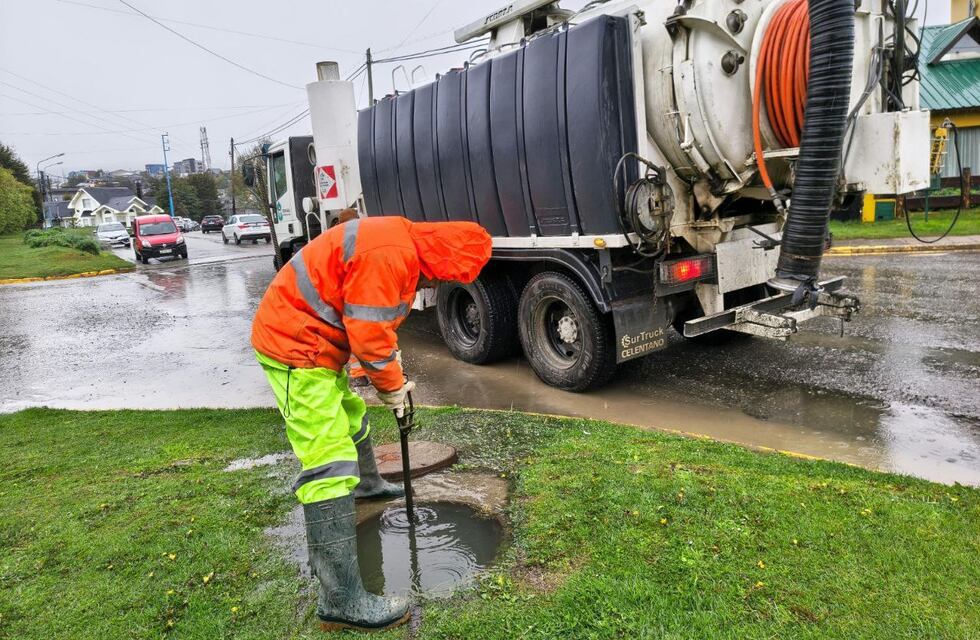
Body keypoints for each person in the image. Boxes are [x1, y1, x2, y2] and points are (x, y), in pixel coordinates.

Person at [251, 214, 491, 632]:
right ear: (442, 259)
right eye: (442, 277)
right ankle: (340, 601)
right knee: (328, 462)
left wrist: (389, 359)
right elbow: (369, 340)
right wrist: (393, 386)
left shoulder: (400, 242)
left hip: (318, 343)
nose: (436, 285)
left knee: (351, 417)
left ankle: (367, 485)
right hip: (296, 348)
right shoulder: (392, 257)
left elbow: (374, 321)